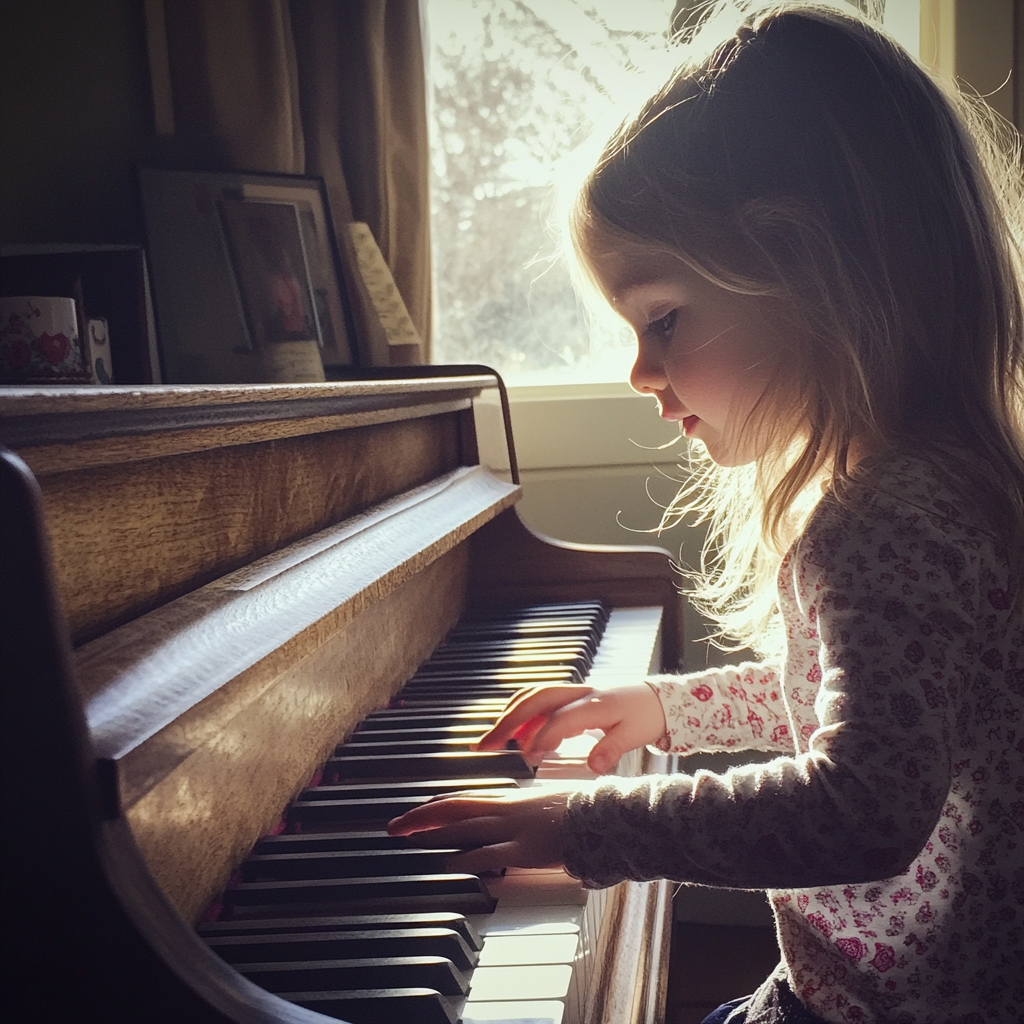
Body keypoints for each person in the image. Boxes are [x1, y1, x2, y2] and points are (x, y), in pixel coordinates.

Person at [389, 4, 1024, 1020]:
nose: (640, 372)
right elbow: (869, 706)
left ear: (813, 271)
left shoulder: (883, 522)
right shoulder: (950, 483)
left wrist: (586, 824)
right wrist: (668, 710)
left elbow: (860, 807)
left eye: (662, 319)